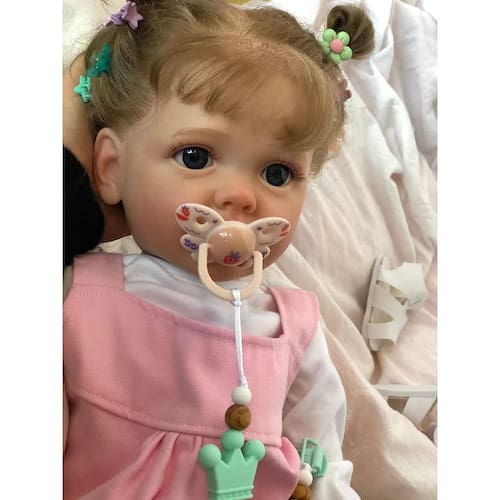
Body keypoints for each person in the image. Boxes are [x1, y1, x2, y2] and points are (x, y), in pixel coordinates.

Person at [63, 1, 374, 498]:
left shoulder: (293, 326)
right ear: (111, 168)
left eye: (278, 173)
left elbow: (324, 462)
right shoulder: (76, 292)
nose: (240, 197)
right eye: (196, 156)